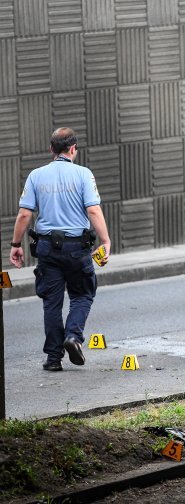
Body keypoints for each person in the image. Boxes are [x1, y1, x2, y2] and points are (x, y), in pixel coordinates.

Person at [8, 128, 111, 372]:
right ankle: (73, 337)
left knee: (51, 304)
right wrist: (105, 241)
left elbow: (25, 214)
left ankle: (53, 359)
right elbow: (93, 210)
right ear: (73, 148)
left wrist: (15, 245)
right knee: (83, 294)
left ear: (51, 149)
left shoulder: (36, 175)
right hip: (77, 248)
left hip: (47, 249)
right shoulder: (84, 174)